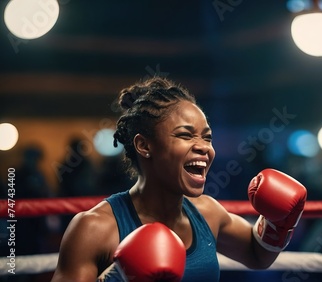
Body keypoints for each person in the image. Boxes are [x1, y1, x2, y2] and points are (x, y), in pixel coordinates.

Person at [51, 76, 307, 281]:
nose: (204, 147)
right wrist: (117, 277)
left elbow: (257, 255)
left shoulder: (207, 212)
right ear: (144, 145)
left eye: (207, 137)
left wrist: (279, 222)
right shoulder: (94, 228)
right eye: (186, 135)